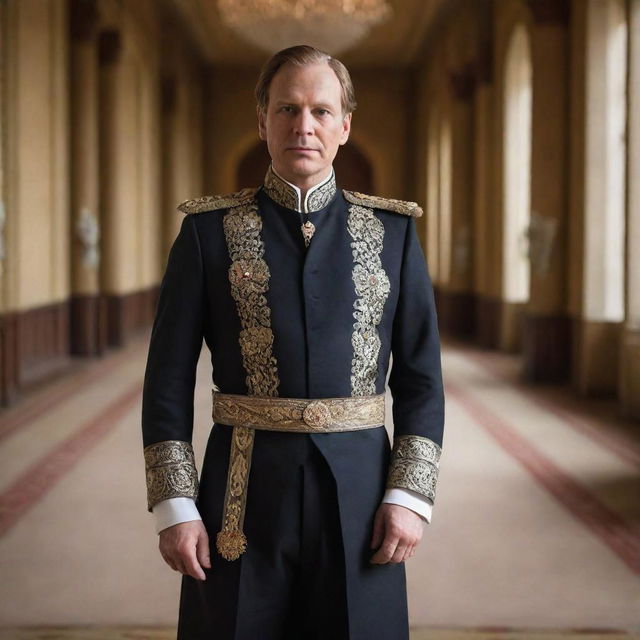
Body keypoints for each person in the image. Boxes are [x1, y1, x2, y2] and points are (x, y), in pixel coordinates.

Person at [141, 44, 445, 640]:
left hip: (363, 495)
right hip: (240, 493)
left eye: (321, 111)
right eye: (286, 110)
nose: (303, 126)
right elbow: (167, 382)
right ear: (262, 121)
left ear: (345, 126)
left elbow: (421, 378)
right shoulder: (207, 234)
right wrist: (175, 507)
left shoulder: (394, 234)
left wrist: (411, 495)